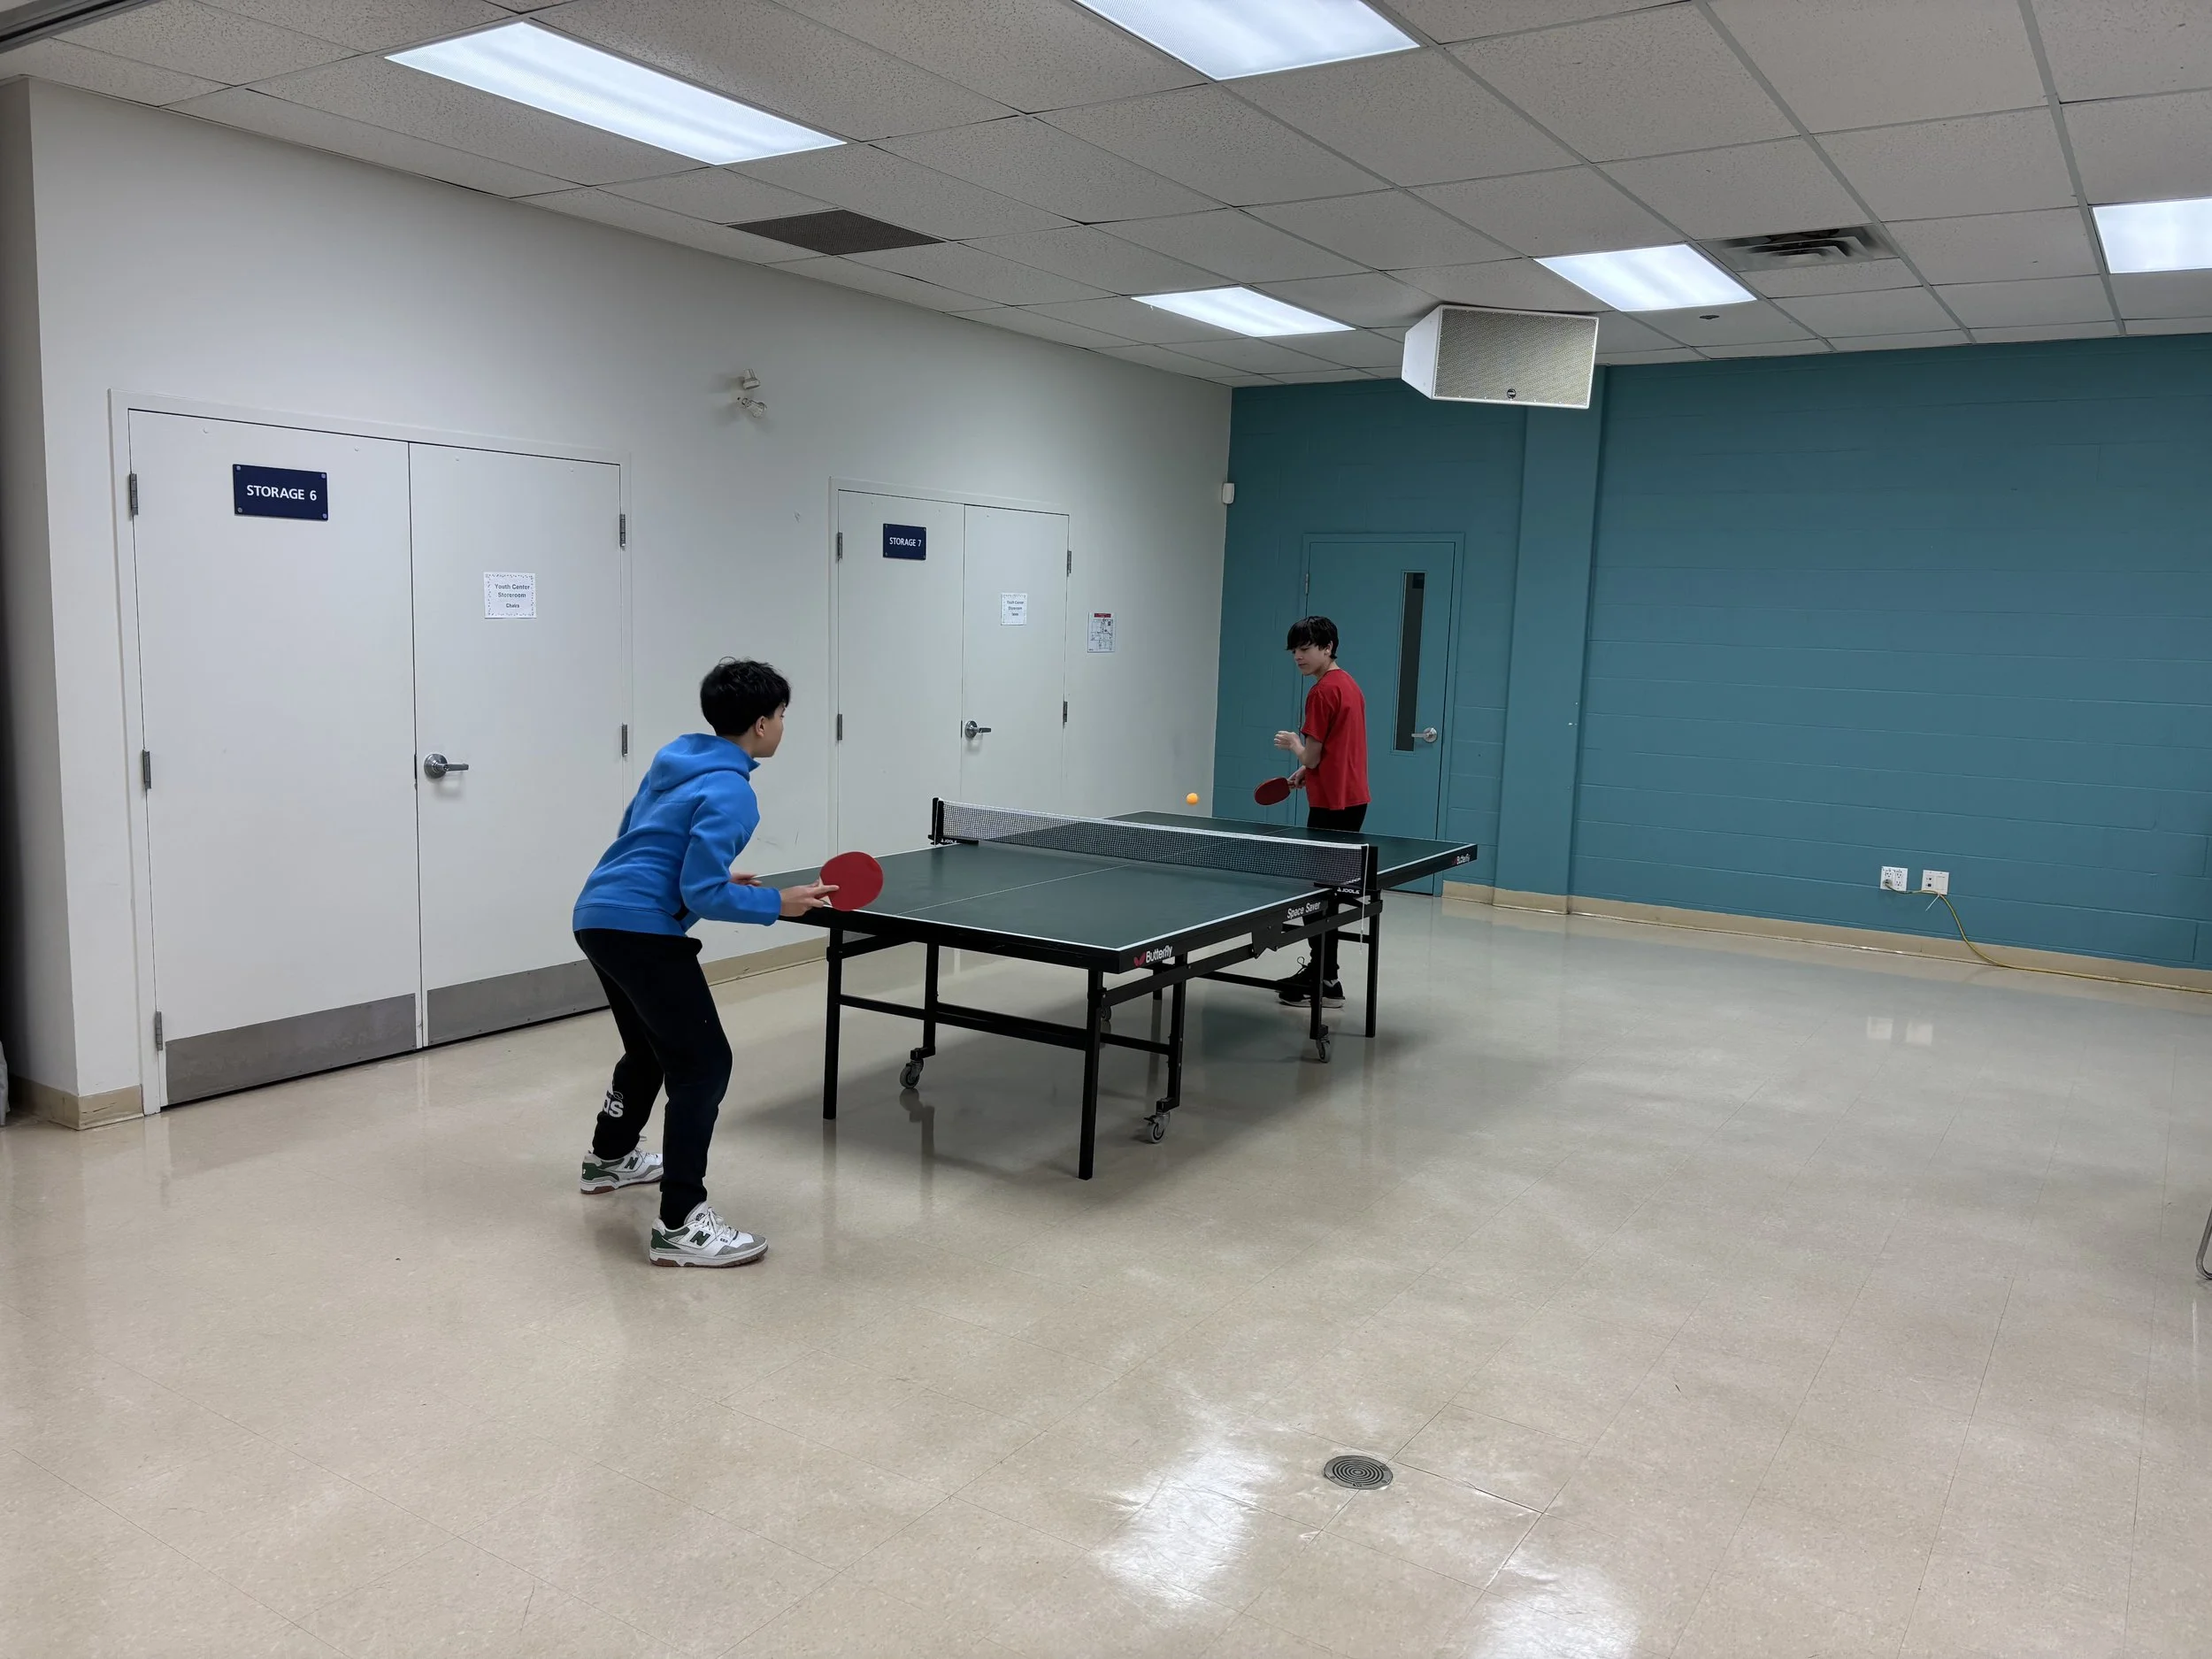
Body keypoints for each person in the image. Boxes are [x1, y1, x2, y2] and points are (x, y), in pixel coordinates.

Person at [572, 658, 834, 1267]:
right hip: (641, 928)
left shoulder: (674, 761)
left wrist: (712, 879)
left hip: (598, 913)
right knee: (704, 1065)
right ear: (762, 724)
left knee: (648, 1051)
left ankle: (609, 1158)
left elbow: (636, 839)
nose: (783, 726)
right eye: (782, 715)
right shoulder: (734, 791)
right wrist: (778, 903)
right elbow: (701, 892)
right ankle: (680, 1223)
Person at [1272, 615, 1370, 1008]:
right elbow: (1333, 749)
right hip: (1352, 799)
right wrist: (1307, 772)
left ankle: (1325, 979)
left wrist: (1295, 747)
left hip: (1331, 804)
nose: (1298, 656)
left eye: (1305, 648)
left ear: (1328, 647)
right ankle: (1326, 975)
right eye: (1294, 650)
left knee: (1316, 897)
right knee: (1328, 893)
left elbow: (1312, 754)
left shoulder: (1321, 692)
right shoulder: (1349, 684)